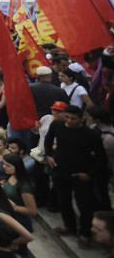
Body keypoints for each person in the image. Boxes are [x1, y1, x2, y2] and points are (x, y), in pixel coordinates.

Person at [44, 104, 106, 249]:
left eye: (73, 118)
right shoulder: (57, 125)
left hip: (81, 175)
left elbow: (102, 158)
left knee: (84, 206)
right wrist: (48, 155)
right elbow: (48, 139)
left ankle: (85, 233)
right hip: (60, 172)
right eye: (67, 117)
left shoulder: (90, 135)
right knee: (63, 200)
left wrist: (89, 174)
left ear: (81, 119)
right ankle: (69, 225)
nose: (69, 121)